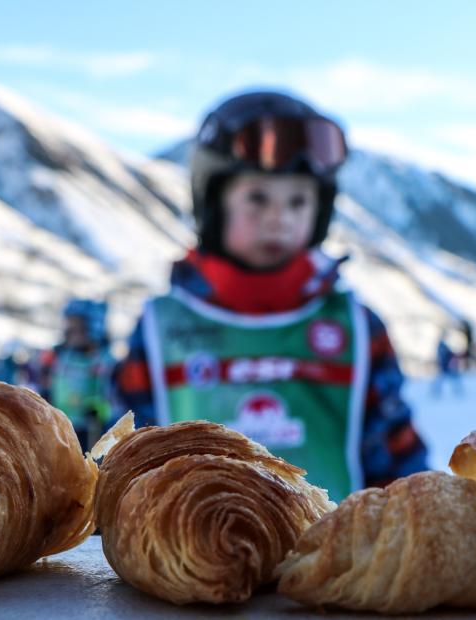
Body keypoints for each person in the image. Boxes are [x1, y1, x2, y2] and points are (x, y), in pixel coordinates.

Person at [112, 90, 428, 502]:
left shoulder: (355, 327)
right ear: (214, 203)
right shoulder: (161, 328)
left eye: (298, 201)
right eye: (257, 198)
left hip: (333, 555)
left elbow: (396, 454)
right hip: (195, 554)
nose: (279, 218)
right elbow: (128, 461)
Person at [39, 299, 114, 450]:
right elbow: (51, 383)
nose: (73, 334)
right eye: (70, 328)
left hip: (90, 430)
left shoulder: (103, 360)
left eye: (79, 329)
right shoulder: (61, 356)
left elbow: (112, 398)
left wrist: (98, 410)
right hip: (60, 425)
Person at [430, 330, 462, 398]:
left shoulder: (443, 345)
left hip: (446, 366)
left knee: (451, 379)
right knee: (442, 380)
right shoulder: (442, 345)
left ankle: (457, 391)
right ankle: (436, 392)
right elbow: (443, 356)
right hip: (444, 366)